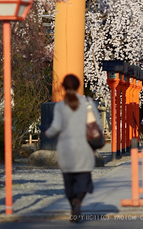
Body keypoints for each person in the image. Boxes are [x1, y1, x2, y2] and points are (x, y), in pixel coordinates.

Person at [44, 74, 101, 223]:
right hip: (84, 149)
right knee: (83, 180)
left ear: (63, 87)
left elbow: (56, 127)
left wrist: (47, 133)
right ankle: (78, 202)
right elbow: (97, 125)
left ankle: (72, 204)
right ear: (78, 86)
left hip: (66, 149)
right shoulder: (88, 102)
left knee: (68, 182)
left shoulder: (60, 106)